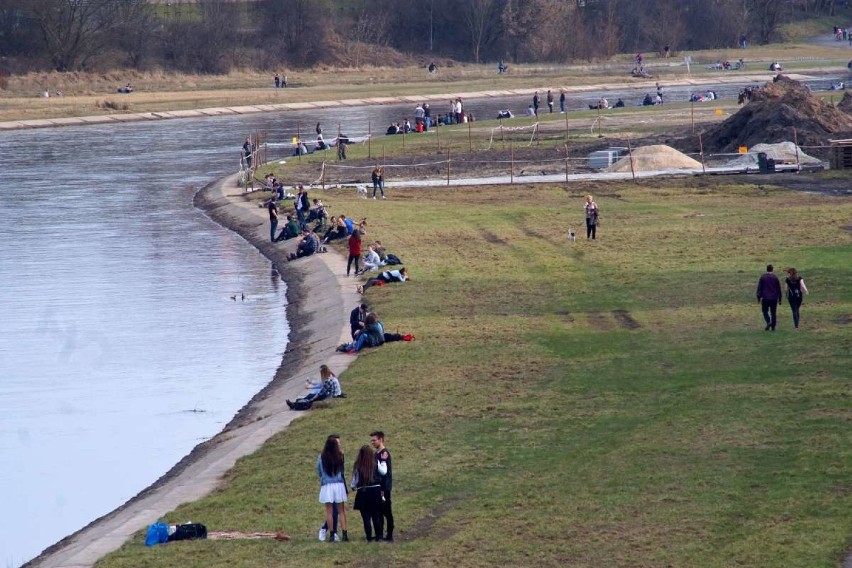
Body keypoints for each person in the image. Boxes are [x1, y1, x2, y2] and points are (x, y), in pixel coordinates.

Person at [317, 435, 348, 542]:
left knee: (329, 511)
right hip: (339, 484)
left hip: (327, 485)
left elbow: (319, 471)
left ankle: (331, 534)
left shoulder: (321, 456)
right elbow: (342, 471)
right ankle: (344, 534)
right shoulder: (340, 456)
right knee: (342, 511)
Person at [350, 445, 385, 542]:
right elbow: (383, 472)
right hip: (375, 491)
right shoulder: (375, 462)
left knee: (366, 517)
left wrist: (353, 487)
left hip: (363, 492)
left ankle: (369, 538)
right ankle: (379, 536)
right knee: (376, 515)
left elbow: (354, 481)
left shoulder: (358, 465)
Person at [370, 431, 394, 541]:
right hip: (378, 487)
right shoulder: (376, 454)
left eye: (374, 440)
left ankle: (389, 535)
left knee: (387, 511)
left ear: (381, 440)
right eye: (372, 440)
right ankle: (380, 534)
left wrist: (384, 488)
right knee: (379, 511)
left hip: (384, 487)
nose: (372, 442)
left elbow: (386, 473)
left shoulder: (384, 453)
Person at [756, 264, 783, 331]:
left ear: (766, 269)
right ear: (772, 269)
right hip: (774, 298)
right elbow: (778, 288)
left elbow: (759, 288)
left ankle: (768, 322)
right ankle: (773, 327)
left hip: (765, 298)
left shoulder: (763, 277)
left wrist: (758, 298)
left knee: (764, 311)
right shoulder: (775, 278)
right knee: (773, 313)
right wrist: (780, 299)